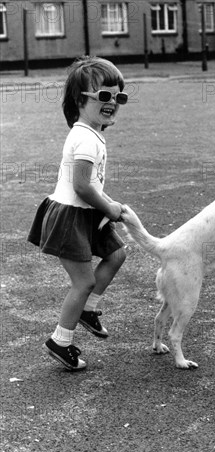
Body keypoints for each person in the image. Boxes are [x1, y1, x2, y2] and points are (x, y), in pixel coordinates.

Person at [28, 56, 128, 371]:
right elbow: (82, 186)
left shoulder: (92, 133)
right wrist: (109, 208)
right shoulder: (85, 137)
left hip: (85, 214)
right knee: (82, 282)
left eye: (118, 96)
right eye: (103, 96)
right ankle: (61, 341)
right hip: (70, 217)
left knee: (116, 254)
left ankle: (88, 309)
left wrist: (109, 204)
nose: (112, 102)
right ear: (79, 100)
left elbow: (92, 185)